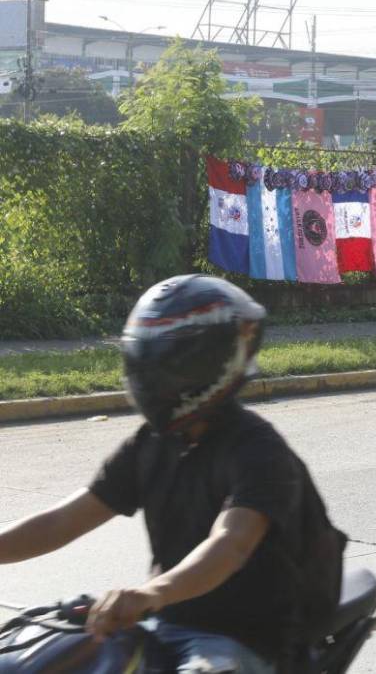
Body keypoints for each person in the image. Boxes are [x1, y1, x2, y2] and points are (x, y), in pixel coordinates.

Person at [0, 275, 345, 673]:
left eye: (160, 365)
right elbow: (61, 522)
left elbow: (231, 544)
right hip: (165, 622)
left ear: (202, 365)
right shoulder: (152, 443)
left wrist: (150, 593)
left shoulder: (259, 450)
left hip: (243, 638)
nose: (148, 378)